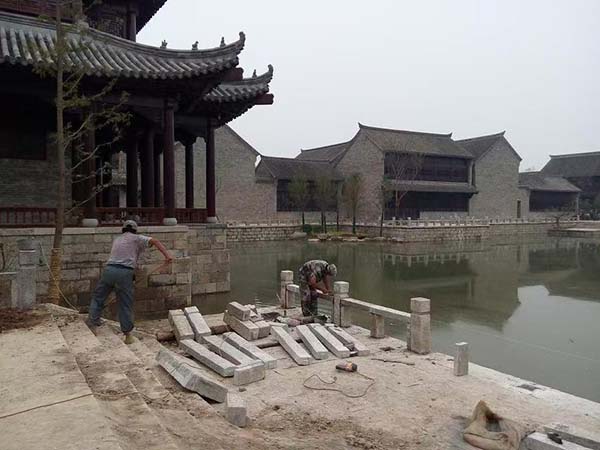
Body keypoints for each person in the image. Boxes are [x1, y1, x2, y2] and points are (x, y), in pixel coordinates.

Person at [86, 220, 173, 344]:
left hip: (109, 270)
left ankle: (92, 324)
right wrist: (167, 256)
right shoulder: (137, 238)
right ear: (135, 230)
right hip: (124, 272)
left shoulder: (117, 239)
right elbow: (155, 241)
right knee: (125, 303)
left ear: (123, 229)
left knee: (98, 297)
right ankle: (128, 335)